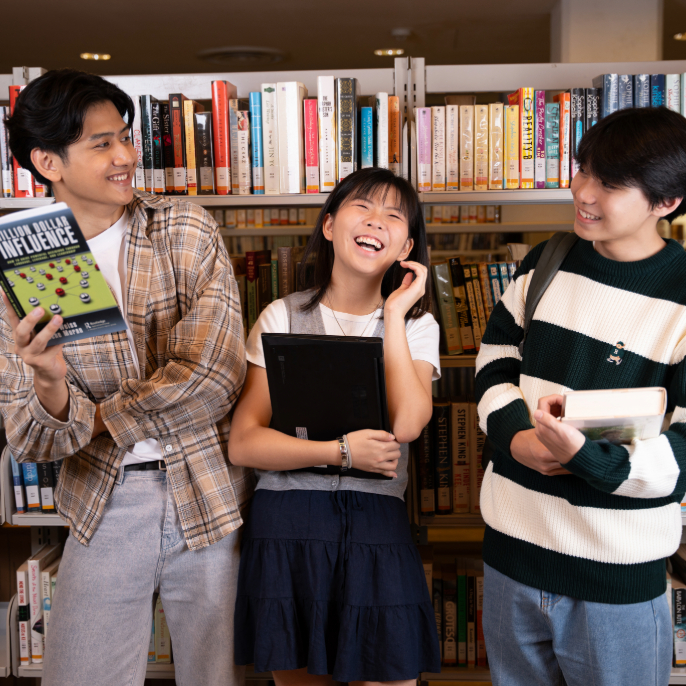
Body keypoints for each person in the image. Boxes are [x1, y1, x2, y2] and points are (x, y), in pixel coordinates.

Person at [1, 69, 252, 686]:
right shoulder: (20, 268)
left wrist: (92, 418)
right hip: (103, 500)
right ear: (47, 161)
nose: (126, 157)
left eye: (125, 137)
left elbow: (215, 374)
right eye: (101, 144)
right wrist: (51, 381)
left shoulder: (184, 228)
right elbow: (30, 441)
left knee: (216, 676)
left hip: (210, 490)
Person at [475, 106, 686, 686]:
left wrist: (582, 458)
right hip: (511, 560)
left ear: (666, 202)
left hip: (614, 583)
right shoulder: (548, 259)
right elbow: (495, 360)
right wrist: (516, 439)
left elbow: (683, 456)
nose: (583, 192)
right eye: (582, 169)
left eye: (610, 183)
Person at [229, 167, 441, 685]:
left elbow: (409, 423)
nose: (376, 221)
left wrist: (393, 315)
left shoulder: (415, 325)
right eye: (362, 207)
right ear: (329, 225)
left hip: (376, 524)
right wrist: (339, 452)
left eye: (394, 216)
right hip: (288, 526)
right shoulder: (282, 315)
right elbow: (243, 442)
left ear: (406, 246)